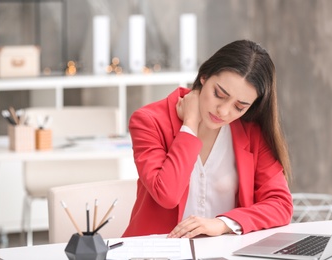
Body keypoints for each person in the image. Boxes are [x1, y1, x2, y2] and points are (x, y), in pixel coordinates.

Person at [122, 39, 293, 238]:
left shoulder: (251, 132)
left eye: (239, 107)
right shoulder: (149, 121)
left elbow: (280, 204)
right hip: (157, 251)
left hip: (223, 252)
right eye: (219, 94)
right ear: (204, 76)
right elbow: (166, 195)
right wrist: (190, 124)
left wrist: (222, 223)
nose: (223, 110)